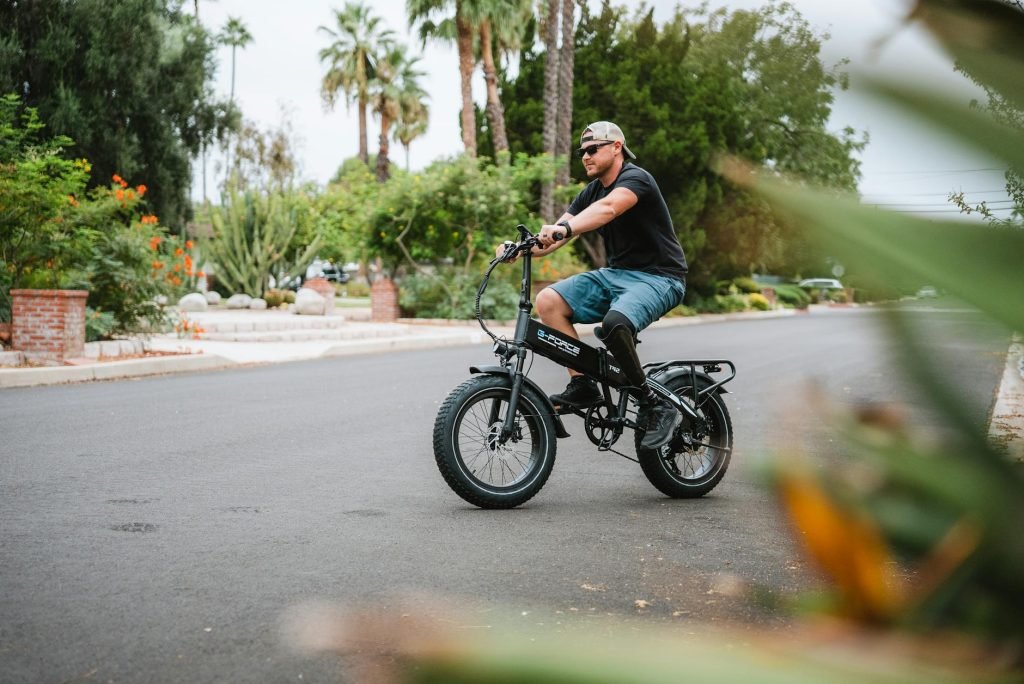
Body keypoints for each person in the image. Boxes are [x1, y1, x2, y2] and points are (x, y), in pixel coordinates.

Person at [496, 121, 688, 449]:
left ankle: (653, 404)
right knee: (548, 302)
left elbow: (609, 209)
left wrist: (567, 229)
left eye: (592, 149)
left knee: (614, 323)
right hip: (616, 275)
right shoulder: (591, 191)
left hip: (661, 277)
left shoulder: (635, 179)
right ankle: (583, 383)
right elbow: (554, 235)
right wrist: (520, 248)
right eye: (582, 151)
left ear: (616, 147)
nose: (585, 156)